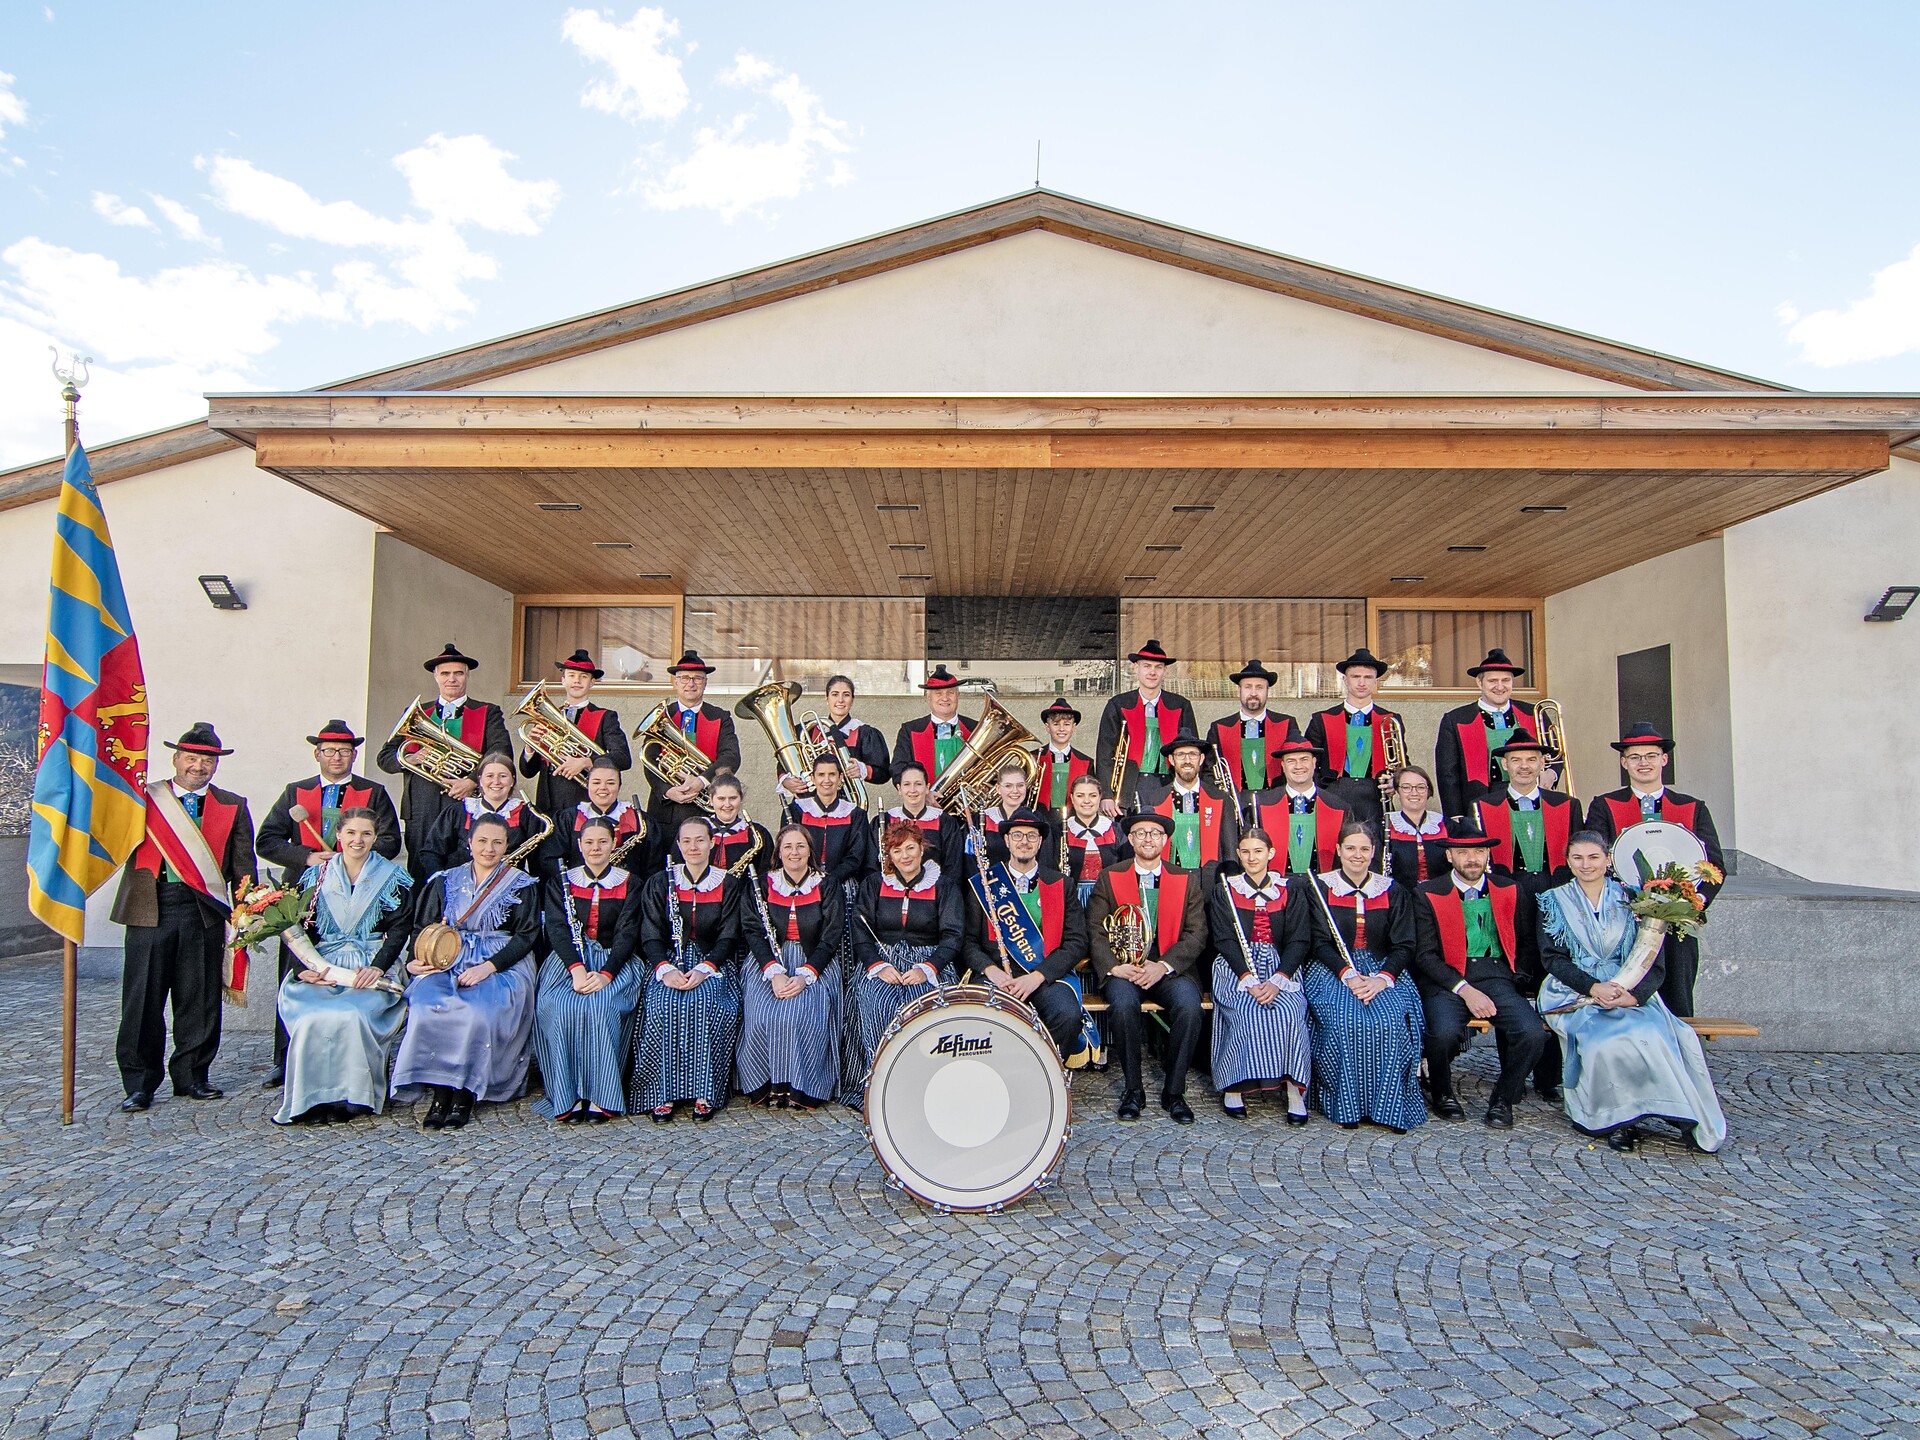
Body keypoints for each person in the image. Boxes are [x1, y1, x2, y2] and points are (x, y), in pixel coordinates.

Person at [1536, 831, 1728, 1153]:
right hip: (1575, 990)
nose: (1586, 865)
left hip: (1629, 986)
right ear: (1568, 861)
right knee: (1602, 1042)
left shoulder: (1636, 899)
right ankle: (1619, 1121)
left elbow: (1654, 958)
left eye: (1593, 857)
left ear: (1608, 860)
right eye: (1578, 858)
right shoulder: (1554, 900)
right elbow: (1551, 958)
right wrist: (1593, 987)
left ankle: (1678, 1111)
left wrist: (1635, 995)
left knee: (1653, 1034)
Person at [111, 722, 256, 1112]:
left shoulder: (233, 805)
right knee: (142, 1000)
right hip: (150, 906)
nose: (198, 766)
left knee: (200, 998)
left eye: (206, 760)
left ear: (216, 765)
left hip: (204, 911)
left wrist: (246, 910)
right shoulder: (144, 798)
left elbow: (243, 868)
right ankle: (139, 1083)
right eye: (191, 758)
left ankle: (192, 1076)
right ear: (175, 758)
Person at [254, 719, 402, 1089]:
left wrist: (348, 857)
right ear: (317, 754)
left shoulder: (373, 792)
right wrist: (306, 856)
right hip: (306, 900)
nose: (337, 757)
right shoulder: (295, 792)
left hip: (359, 894)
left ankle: (351, 1061)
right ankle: (285, 1059)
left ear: (354, 755)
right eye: (329, 751)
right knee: (299, 976)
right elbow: (267, 841)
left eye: (345, 751)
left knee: (351, 988)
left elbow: (389, 842)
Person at [392, 812, 541, 1131]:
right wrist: (414, 960)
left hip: (501, 962)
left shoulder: (521, 884)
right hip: (447, 957)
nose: (489, 849)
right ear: (469, 843)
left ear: (507, 846)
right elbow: (422, 927)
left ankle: (464, 1093)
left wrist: (489, 967)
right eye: (483, 841)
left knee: (477, 1012)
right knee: (426, 1007)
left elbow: (527, 934)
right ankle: (439, 1091)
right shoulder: (444, 880)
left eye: (497, 842)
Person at [271, 809, 412, 1126]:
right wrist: (303, 969)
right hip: (325, 965)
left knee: (353, 1015)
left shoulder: (390, 877)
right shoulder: (316, 876)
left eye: (365, 834)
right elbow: (301, 927)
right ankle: (311, 1099)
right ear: (338, 835)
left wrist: (378, 968)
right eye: (351, 833)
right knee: (311, 1017)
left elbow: (400, 928)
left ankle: (355, 1097)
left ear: (375, 839)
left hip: (370, 964)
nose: (357, 840)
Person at [1409, 817, 1548, 1129]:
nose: (1471, 859)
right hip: (1447, 980)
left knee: (1533, 1033)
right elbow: (1425, 955)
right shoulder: (1428, 893)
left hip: (1498, 977)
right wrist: (1464, 989)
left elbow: (1526, 942)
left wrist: (1517, 979)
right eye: (1462, 852)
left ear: (1488, 854)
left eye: (1478, 851)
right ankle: (1442, 1092)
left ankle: (1504, 1097)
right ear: (1449, 856)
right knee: (1443, 1034)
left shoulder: (1511, 889)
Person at [1582, 722, 1727, 1018]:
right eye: (1634, 757)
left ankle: (1680, 1061)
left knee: (1678, 1000)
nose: (1643, 763)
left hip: (1676, 925)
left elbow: (1715, 867)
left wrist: (1686, 906)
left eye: (1650, 755)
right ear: (1624, 762)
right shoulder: (1604, 806)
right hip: (1623, 921)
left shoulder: (1692, 807)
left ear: (1664, 759)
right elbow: (1593, 860)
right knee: (1622, 997)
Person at [1291, 820, 1425, 1132]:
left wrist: (1381, 979)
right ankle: (1347, 1105)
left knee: (1390, 1021)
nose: (1357, 855)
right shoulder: (1319, 888)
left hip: (1382, 969)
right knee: (1345, 1020)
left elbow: (1405, 945)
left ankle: (1389, 1107)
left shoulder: (1393, 891)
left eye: (1364, 849)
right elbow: (1319, 943)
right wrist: (1348, 974)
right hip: (1332, 969)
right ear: (1338, 850)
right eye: (1350, 848)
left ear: (1374, 852)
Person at [1086, 811, 1206, 1124]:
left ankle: (1174, 1091)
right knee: (1123, 1006)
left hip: (1167, 968)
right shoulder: (1110, 876)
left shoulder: (1185, 878)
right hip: (1124, 969)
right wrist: (1114, 967)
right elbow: (1095, 929)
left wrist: (1164, 965)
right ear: (1131, 839)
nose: (1147, 838)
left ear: (1165, 840)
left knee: (1190, 1007)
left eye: (1154, 833)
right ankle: (1133, 1090)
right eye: (1140, 833)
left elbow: (1197, 933)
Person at [842, 821, 964, 1108]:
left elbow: (953, 935)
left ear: (922, 849)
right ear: (889, 856)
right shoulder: (874, 884)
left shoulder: (943, 886)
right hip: (884, 963)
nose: (905, 856)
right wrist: (877, 966)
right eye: (897, 851)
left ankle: (924, 1086)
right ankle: (879, 1084)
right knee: (875, 1003)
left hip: (928, 964)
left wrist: (927, 968)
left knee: (924, 1010)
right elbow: (860, 932)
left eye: (911, 848)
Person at [630, 815, 744, 1123]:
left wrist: (706, 967)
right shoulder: (660, 881)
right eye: (687, 841)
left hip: (711, 962)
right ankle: (660, 1091)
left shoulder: (728, 883)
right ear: (678, 845)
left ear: (711, 843)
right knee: (661, 1004)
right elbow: (650, 933)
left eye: (699, 840)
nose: (693, 846)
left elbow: (729, 935)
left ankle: (705, 1091)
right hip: (668, 960)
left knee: (709, 1004)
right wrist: (664, 968)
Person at [533, 815, 644, 1124]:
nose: (596, 848)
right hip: (569, 964)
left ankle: (601, 1095)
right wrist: (576, 970)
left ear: (614, 844)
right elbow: (557, 929)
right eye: (589, 842)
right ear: (579, 846)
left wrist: (607, 972)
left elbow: (628, 932)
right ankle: (567, 1094)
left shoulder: (630, 882)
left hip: (614, 962)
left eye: (603, 842)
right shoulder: (561, 881)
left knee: (601, 1006)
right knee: (558, 1006)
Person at [962, 806, 1092, 1061]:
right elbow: (967, 942)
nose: (1025, 841)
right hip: (997, 976)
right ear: (1007, 841)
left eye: (1031, 836)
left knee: (1067, 1015)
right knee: (980, 1018)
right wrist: (992, 972)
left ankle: (1043, 1074)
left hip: (1046, 976)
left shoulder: (1061, 884)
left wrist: (1038, 976)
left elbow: (1077, 941)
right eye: (1018, 835)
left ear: (1041, 841)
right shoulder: (985, 883)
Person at [377, 641, 512, 882]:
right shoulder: (417, 713)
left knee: (467, 864)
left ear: (467, 676)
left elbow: (500, 753)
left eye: (458, 673)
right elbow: (385, 757)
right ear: (435, 677)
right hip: (422, 807)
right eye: (445, 674)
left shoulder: (488, 712)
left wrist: (472, 782)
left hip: (468, 803)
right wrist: (411, 758)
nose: (452, 679)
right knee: (420, 870)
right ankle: (423, 920)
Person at [1206, 829, 1311, 1124]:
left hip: (1279, 965)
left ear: (1271, 853)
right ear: (1239, 855)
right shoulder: (1225, 889)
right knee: (1245, 1011)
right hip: (1237, 966)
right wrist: (1248, 979)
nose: (1252, 858)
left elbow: (1299, 939)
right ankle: (1234, 1086)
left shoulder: (1290, 889)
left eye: (1258, 851)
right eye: (1246, 852)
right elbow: (1224, 940)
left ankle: (1293, 1089)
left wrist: (1279, 979)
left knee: (1290, 1012)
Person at [737, 823, 845, 1110]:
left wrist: (806, 975)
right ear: (778, 852)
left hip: (814, 962)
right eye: (788, 846)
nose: (794, 852)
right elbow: (753, 930)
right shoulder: (761, 884)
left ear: (810, 850)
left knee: (803, 1015)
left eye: (800, 846)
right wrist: (773, 972)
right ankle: (769, 1084)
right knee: (763, 1014)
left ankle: (803, 1087)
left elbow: (831, 936)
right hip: (770, 962)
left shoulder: (827, 884)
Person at [518, 648, 632, 843]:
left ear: (592, 682)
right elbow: (528, 771)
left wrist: (588, 762)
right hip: (549, 806)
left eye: (583, 677)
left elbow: (623, 758)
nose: (576, 681)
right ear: (563, 680)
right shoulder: (547, 716)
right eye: (571, 676)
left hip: (585, 805)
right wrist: (531, 748)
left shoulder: (605, 717)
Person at [643, 650, 742, 860]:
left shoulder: (720, 717)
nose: (691, 683)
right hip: (666, 812)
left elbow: (731, 756)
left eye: (697, 678)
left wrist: (702, 780)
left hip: (706, 812)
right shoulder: (662, 716)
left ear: (705, 683)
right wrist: (668, 791)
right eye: (684, 678)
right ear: (675, 683)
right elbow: (649, 760)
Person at [1433, 647, 1541, 820]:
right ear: (1479, 682)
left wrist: (1553, 773)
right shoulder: (1456, 719)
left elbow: (1553, 753)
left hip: (1530, 797)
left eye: (1506, 680)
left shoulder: (1534, 713)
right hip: (1479, 800)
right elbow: (1447, 774)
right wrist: (1455, 815)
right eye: (1493, 681)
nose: (1500, 686)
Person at [1095, 640, 1197, 816]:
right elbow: (1105, 751)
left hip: (1169, 782)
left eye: (1158, 667)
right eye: (1147, 666)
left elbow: (1192, 751)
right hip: (1128, 785)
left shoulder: (1180, 705)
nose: (1152, 672)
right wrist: (1106, 794)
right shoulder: (1118, 704)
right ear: (1136, 668)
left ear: (1165, 670)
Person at [1304, 647, 1403, 829]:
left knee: (1376, 847)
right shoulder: (1321, 720)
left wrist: (1395, 782)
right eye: (1356, 677)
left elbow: (1400, 762)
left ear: (1376, 682)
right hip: (1333, 793)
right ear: (1345, 680)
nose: (1361, 682)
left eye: (1368, 677)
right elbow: (1309, 763)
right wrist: (1321, 793)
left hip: (1375, 795)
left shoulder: (1390, 719)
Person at [419, 752, 542, 875]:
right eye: (489, 776)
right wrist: (441, 881)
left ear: (512, 781)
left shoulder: (528, 813)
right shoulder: (458, 811)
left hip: (510, 885)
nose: (496, 781)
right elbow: (431, 852)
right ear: (480, 781)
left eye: (503, 776)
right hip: (461, 886)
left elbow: (539, 860)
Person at [776, 674, 889, 805]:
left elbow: (883, 773)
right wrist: (785, 780)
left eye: (846, 695)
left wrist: (863, 769)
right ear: (826, 698)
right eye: (835, 694)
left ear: (852, 699)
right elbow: (784, 761)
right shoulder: (807, 730)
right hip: (807, 802)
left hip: (847, 804)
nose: (840, 700)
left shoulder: (864, 732)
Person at [1249, 736, 1351, 878]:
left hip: (1323, 887)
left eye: (1304, 759)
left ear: (1314, 763)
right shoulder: (1261, 805)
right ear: (1283, 765)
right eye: (1291, 761)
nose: (1298, 766)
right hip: (1276, 889)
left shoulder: (1338, 806)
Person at [1137, 732, 1239, 873]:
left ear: (1201, 759)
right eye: (1180, 755)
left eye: (1193, 754)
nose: (1187, 760)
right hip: (1169, 878)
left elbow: (1230, 846)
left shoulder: (1220, 798)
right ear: (1171, 760)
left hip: (1210, 880)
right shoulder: (1153, 799)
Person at [1207, 660, 1298, 816]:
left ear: (1267, 691)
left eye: (1259, 687)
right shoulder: (1219, 727)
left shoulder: (1286, 723)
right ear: (1239, 691)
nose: (1254, 693)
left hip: (1276, 802)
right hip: (1234, 805)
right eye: (1248, 687)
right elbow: (1209, 771)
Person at [874, 759, 964, 877]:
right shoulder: (884, 820)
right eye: (907, 784)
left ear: (927, 788)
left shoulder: (945, 822)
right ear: (899, 788)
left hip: (936, 892)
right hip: (892, 892)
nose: (912, 790)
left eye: (918, 784)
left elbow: (953, 868)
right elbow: (872, 867)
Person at [890, 664, 976, 785]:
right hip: (922, 802)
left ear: (958, 696)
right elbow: (898, 770)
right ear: (928, 697)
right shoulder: (910, 730)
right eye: (938, 693)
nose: (945, 698)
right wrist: (924, 792)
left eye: (950, 692)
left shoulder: (975, 728)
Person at [560, 758, 645, 870]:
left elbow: (652, 866)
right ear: (587, 785)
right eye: (596, 782)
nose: (603, 788)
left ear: (619, 786)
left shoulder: (639, 820)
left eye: (610, 783)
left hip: (630, 886)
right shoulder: (569, 818)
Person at [1060, 774, 1128, 907]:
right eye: (1080, 796)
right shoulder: (1060, 831)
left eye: (1092, 795)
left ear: (1100, 798)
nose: (1087, 801)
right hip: (1071, 902)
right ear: (1072, 799)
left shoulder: (1116, 831)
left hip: (1107, 900)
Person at [1380, 766, 1448, 885]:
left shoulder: (1446, 826)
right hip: (1399, 899)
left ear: (1428, 791)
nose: (1414, 793)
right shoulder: (1384, 827)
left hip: (1439, 897)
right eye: (1406, 787)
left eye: (1421, 787)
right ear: (1397, 791)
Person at [974, 758, 1049, 865]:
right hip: (989, 880)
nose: (1015, 791)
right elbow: (970, 862)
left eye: (1020, 785)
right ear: (998, 789)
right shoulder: (982, 818)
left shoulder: (1038, 818)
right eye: (1008, 786)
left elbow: (1045, 860)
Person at [698, 773, 774, 877]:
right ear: (711, 800)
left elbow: (767, 874)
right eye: (721, 799)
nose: (727, 804)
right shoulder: (696, 829)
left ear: (741, 799)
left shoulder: (757, 833)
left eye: (733, 798)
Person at [1033, 698, 1093, 816]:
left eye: (1066, 724)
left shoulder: (1086, 762)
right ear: (1047, 727)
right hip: (1039, 820)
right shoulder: (1033, 758)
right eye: (1056, 724)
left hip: (1074, 820)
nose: (1061, 729)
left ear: (1073, 727)